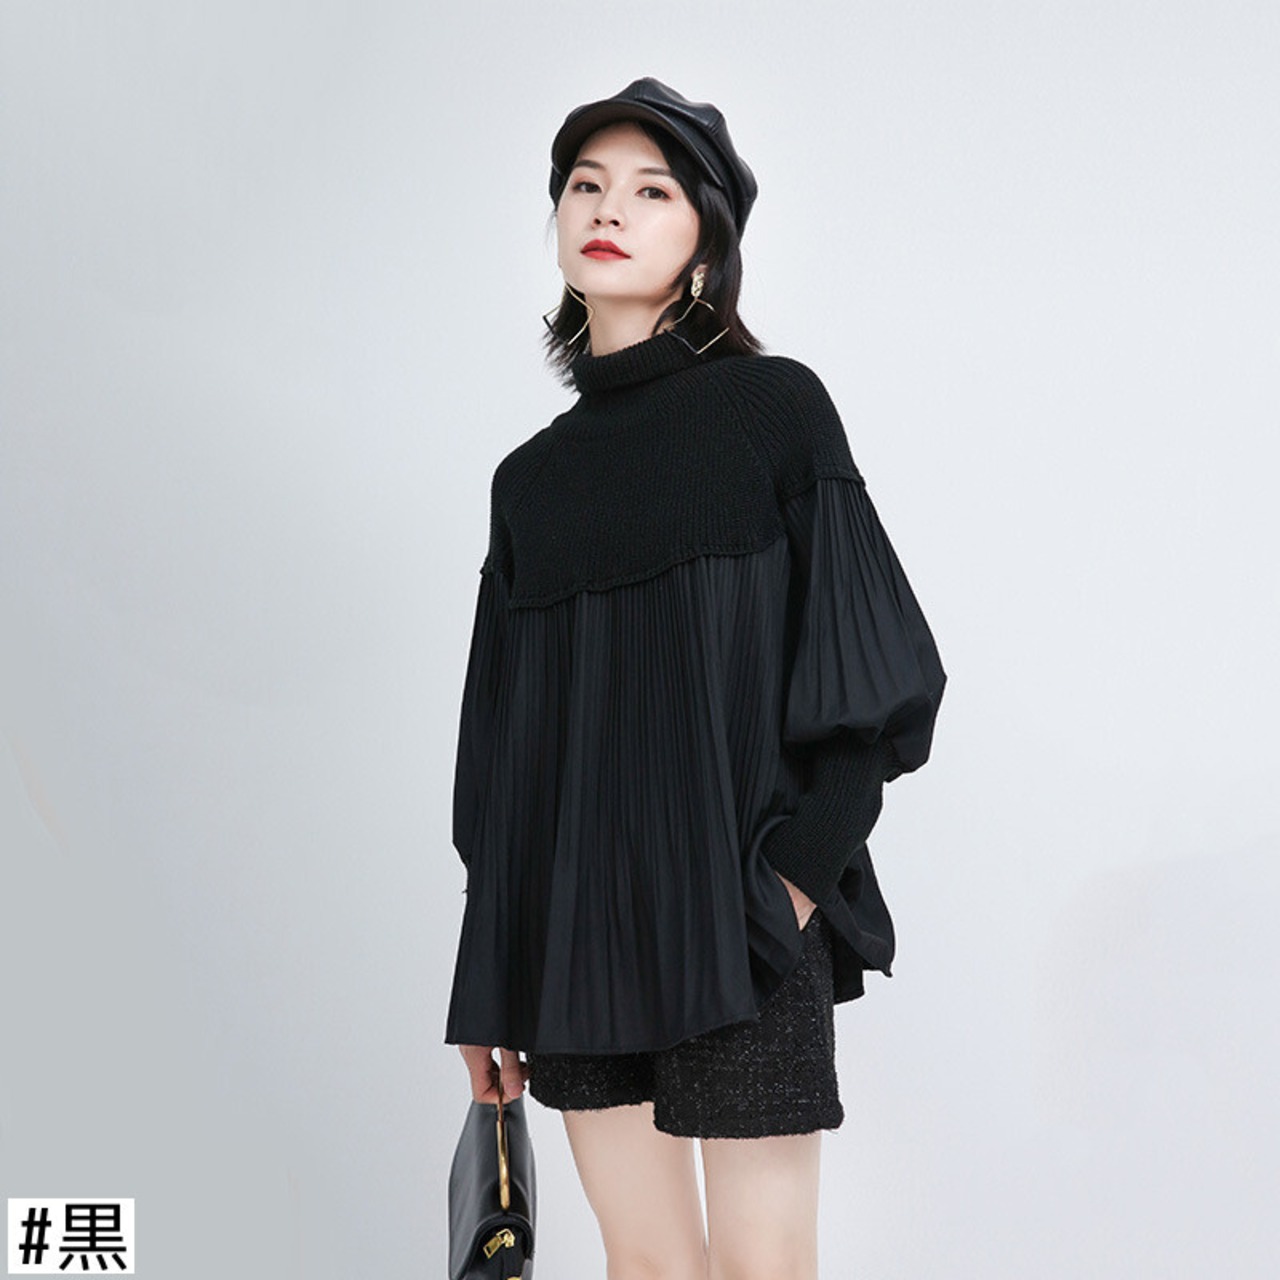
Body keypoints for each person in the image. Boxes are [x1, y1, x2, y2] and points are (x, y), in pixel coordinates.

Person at [445, 77, 946, 1279]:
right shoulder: (531, 483)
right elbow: (502, 761)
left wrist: (792, 881)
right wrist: (487, 984)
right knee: (645, 1261)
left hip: (742, 917)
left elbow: (869, 671)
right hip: (572, 932)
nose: (607, 209)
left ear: (705, 244)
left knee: (762, 1263)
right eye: (584, 185)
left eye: (650, 190)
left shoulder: (773, 411)